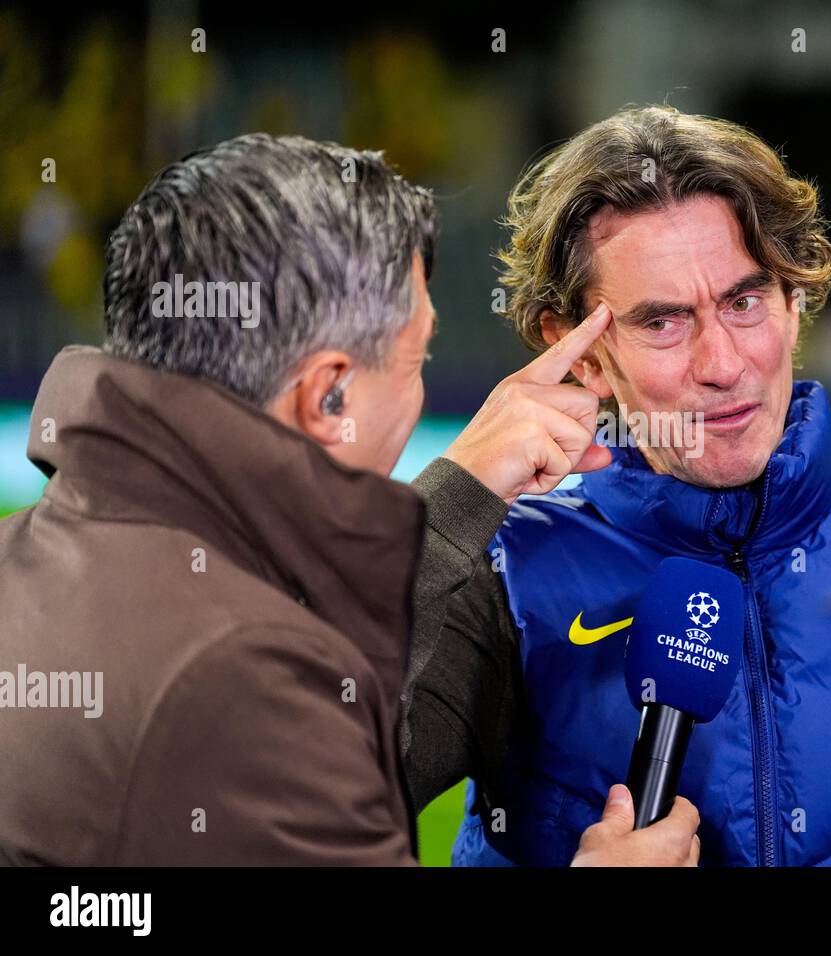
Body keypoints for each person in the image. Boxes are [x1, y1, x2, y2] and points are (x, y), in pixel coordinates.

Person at [401, 106, 831, 866]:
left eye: (744, 302)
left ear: (794, 304)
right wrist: (449, 503)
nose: (722, 364)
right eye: (664, 323)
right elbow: (283, 802)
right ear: (580, 355)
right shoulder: (503, 583)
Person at [0, 133, 698, 866]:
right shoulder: (248, 675)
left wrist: (453, 499)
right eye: (415, 358)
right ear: (330, 395)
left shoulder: (28, 564)